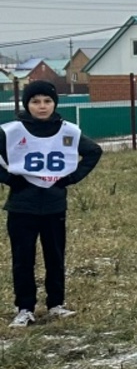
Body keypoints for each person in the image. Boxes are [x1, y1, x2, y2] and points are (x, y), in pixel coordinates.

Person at [3, 80, 102, 326]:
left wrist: (71, 177)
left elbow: (93, 151)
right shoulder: (12, 130)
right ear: (27, 104)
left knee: (55, 257)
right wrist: (9, 180)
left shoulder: (68, 131)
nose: (42, 106)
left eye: (47, 101)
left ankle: (56, 304)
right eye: (35, 101)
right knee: (23, 259)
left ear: (55, 103)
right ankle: (25, 308)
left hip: (54, 205)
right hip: (22, 207)